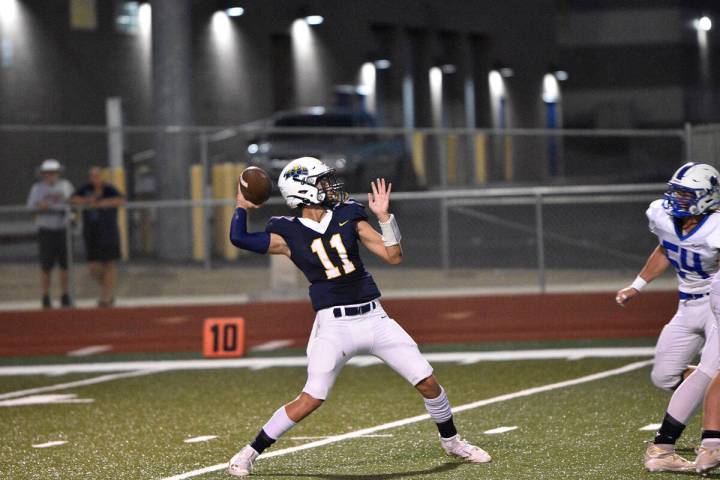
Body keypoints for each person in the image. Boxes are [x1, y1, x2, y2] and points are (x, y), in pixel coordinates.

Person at [226, 157, 490, 477]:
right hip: (334, 325)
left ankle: (453, 442)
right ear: (304, 191)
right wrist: (242, 205)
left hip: (374, 317)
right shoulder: (286, 232)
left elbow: (393, 255)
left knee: (427, 381)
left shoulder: (349, 214)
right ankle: (250, 451)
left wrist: (385, 218)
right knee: (312, 397)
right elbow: (239, 238)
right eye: (321, 182)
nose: (329, 187)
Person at [615, 162, 720, 472]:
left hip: (714, 303)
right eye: (675, 191)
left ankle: (680, 445)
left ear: (706, 198)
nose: (676, 199)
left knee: (710, 371)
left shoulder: (715, 226)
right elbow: (665, 249)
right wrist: (637, 285)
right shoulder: (661, 215)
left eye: (686, 195)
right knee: (664, 375)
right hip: (687, 305)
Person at [71, 167, 125, 307]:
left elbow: (120, 200)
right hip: (91, 232)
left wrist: (101, 203)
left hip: (108, 232)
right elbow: (72, 199)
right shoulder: (85, 189)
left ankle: (106, 298)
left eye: (97, 176)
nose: (94, 178)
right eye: (92, 176)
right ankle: (107, 290)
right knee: (93, 267)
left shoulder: (109, 189)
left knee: (109, 263)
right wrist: (87, 201)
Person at [26, 158, 75, 308]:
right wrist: (40, 207)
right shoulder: (37, 188)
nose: (50, 175)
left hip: (63, 229)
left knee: (65, 265)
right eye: (47, 172)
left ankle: (65, 294)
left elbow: (74, 203)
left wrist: (71, 215)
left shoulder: (66, 186)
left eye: (53, 172)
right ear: (43, 174)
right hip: (46, 230)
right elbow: (30, 207)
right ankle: (46, 296)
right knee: (46, 265)